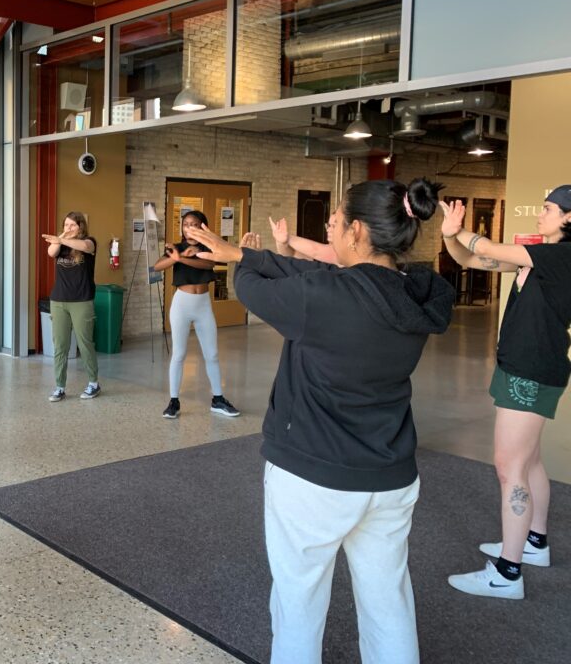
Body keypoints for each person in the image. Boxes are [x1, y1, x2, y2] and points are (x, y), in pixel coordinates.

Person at [187, 178, 455, 664]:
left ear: (356, 231)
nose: (328, 225)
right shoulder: (420, 293)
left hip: (313, 479)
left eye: (335, 218)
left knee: (298, 605)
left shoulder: (322, 297)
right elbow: (304, 270)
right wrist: (245, 253)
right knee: (388, 603)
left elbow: (253, 289)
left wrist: (239, 260)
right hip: (389, 479)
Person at [443, 185, 571, 600]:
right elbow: (473, 258)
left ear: (569, 218)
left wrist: (463, 229)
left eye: (549, 208)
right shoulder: (540, 256)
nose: (541, 214)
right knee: (529, 461)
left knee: (508, 467)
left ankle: (508, 573)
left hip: (531, 372)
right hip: (520, 366)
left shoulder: (560, 256)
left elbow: (486, 244)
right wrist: (449, 235)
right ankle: (534, 544)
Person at [151, 210, 238, 419]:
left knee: (212, 354)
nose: (189, 228)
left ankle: (218, 399)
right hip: (182, 304)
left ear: (203, 227)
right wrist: (176, 257)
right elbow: (156, 266)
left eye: (195, 224)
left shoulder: (209, 248)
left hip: (203, 306)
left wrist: (181, 259)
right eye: (186, 224)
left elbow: (207, 264)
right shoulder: (176, 247)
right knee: (179, 354)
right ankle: (173, 402)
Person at [42, 212, 101, 402]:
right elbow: (51, 252)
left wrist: (63, 239)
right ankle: (59, 386)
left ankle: (93, 383)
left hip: (82, 300)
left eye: (72, 226)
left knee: (85, 343)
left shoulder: (89, 242)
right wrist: (59, 239)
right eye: (66, 225)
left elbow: (84, 246)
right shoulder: (60, 244)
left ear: (81, 227)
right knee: (60, 345)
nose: (68, 228)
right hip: (59, 300)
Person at [268, 216, 341, 264]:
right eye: (328, 225)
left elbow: (315, 250)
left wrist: (288, 238)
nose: (328, 229)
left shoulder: (341, 253)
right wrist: (281, 243)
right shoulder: (320, 257)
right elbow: (291, 254)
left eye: (334, 226)